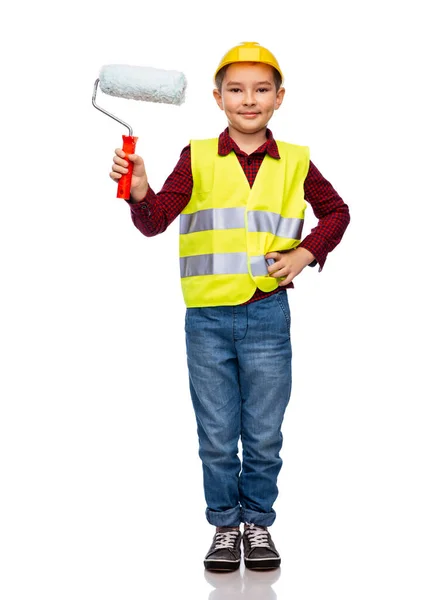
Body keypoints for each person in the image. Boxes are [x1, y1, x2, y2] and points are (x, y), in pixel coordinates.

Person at [109, 42, 350, 572]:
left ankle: (257, 524)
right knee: (217, 432)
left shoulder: (296, 162)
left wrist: (308, 252)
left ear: (279, 97)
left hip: (267, 315)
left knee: (263, 430)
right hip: (208, 320)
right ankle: (224, 524)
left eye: (261, 89)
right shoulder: (195, 157)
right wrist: (141, 192)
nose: (249, 100)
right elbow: (155, 221)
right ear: (218, 98)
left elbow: (337, 212)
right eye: (236, 90)